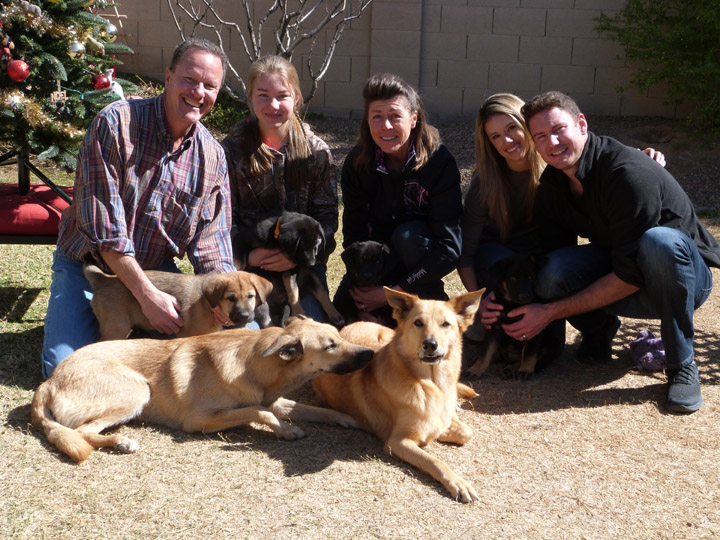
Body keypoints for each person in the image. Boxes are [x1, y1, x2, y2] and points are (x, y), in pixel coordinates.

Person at [497, 90, 720, 413]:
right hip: (624, 268)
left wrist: (550, 312)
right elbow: (552, 255)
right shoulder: (554, 185)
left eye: (559, 130)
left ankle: (681, 365)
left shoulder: (627, 172)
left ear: (582, 125)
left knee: (660, 242)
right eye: (541, 136)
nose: (553, 143)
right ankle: (599, 333)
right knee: (552, 272)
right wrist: (540, 337)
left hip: (680, 279)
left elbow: (630, 274)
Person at [41, 38, 235, 378]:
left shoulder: (213, 156)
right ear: (168, 76)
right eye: (190, 79)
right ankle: (103, 320)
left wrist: (222, 300)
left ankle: (135, 330)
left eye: (210, 86)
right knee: (64, 368)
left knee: (237, 338)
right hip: (92, 266)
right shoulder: (116, 124)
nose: (198, 92)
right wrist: (147, 297)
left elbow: (212, 240)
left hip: (158, 272)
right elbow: (105, 232)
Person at [334, 73, 463, 323]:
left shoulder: (439, 163)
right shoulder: (357, 163)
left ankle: (427, 302)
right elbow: (353, 235)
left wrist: (392, 294)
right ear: (367, 121)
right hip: (374, 265)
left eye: (395, 116)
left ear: (414, 119)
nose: (386, 126)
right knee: (339, 315)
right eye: (377, 117)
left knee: (408, 237)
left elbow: (449, 247)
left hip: (417, 263)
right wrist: (364, 293)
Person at [221, 55, 337, 321]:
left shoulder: (316, 152)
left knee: (309, 341)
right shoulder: (231, 151)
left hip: (303, 270)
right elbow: (222, 221)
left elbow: (328, 220)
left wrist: (299, 255)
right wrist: (250, 255)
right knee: (247, 345)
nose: (272, 105)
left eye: (282, 95)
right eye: (262, 95)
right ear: (250, 97)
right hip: (248, 271)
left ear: (296, 98)